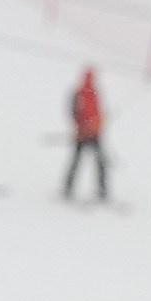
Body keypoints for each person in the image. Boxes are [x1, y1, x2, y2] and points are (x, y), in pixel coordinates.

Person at [63, 68, 109, 203]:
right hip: (82, 135)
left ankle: (102, 191)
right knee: (76, 162)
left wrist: (99, 123)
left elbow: (97, 112)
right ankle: (68, 189)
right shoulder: (78, 93)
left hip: (94, 135)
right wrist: (80, 127)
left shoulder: (95, 93)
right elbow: (73, 112)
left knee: (100, 163)